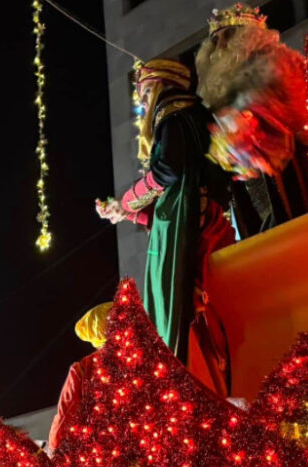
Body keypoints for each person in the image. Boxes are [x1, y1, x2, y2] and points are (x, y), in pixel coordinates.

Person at [96, 59, 235, 373]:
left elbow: (167, 172)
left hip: (194, 231)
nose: (144, 105)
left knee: (180, 321)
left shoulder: (173, 114)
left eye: (145, 95)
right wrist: (125, 210)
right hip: (200, 223)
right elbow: (168, 205)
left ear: (159, 87)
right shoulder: (191, 115)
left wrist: (128, 202)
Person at [196, 4, 308, 236]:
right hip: (256, 194)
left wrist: (250, 126)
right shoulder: (227, 86)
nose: (220, 46)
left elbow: (296, 114)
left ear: (247, 35)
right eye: (215, 41)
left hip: (293, 177)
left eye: (227, 36)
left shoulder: (278, 61)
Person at [47, 302, 111, 454]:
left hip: (102, 453)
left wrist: (54, 448)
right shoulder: (146, 360)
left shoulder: (84, 368)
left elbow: (66, 414)